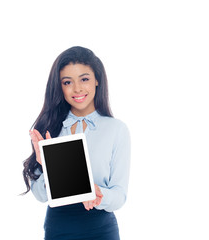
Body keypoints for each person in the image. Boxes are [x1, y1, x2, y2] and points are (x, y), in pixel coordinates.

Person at [22, 46, 131, 240]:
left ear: (97, 80)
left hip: (100, 230)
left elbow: (119, 195)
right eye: (67, 82)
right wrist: (45, 164)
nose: (77, 88)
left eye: (84, 79)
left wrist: (99, 194)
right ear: (59, 86)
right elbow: (40, 196)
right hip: (58, 229)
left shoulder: (116, 130)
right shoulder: (49, 128)